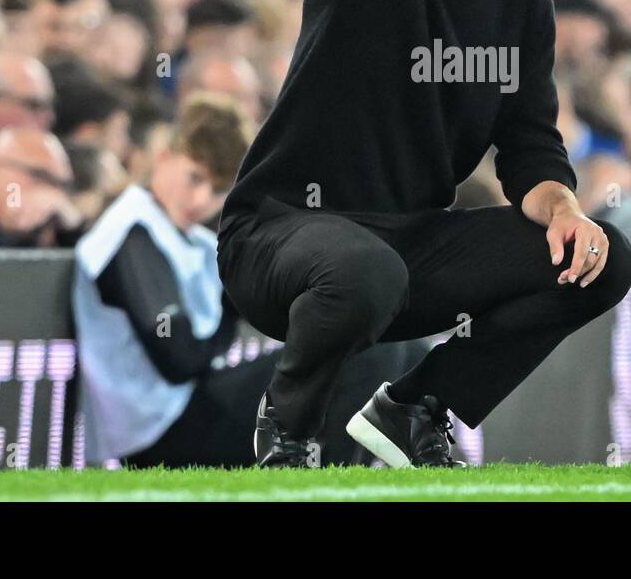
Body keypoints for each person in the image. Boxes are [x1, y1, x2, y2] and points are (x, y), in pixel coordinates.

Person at [216, 0, 631, 469]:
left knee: (604, 258)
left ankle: (417, 410)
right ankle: (288, 435)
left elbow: (530, 147)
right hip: (280, 234)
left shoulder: (525, 7)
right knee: (363, 269)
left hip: (410, 244)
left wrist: (566, 211)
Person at [74, 94, 425, 468]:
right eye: (195, 177)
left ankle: (408, 465)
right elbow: (178, 358)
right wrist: (232, 309)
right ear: (164, 156)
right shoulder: (132, 229)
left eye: (218, 190)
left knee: (406, 348)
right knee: (365, 354)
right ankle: (326, 483)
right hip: (158, 432)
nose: (201, 199)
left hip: (190, 408)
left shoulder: (184, 234)